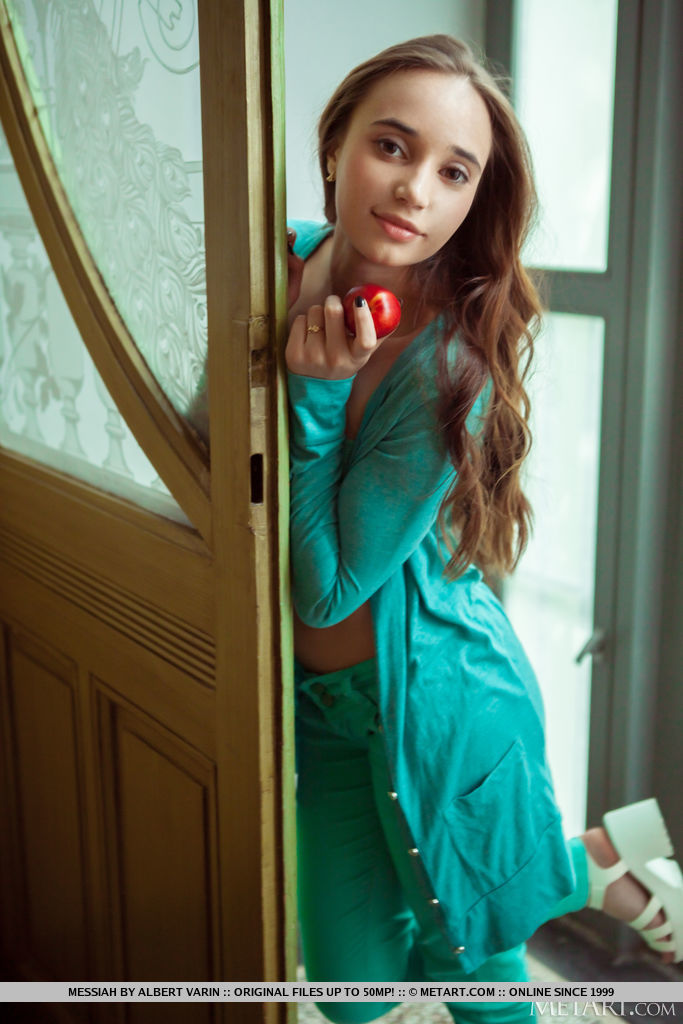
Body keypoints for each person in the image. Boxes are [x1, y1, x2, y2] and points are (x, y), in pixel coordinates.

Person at [284, 35, 682, 1024]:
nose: (413, 188)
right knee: (349, 992)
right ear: (334, 145)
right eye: (391, 145)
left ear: (472, 198)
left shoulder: (446, 369)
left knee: (473, 966)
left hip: (446, 703)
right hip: (325, 711)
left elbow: (325, 591)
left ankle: (580, 865)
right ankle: (588, 861)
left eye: (452, 171)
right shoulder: (279, 262)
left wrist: (317, 397)